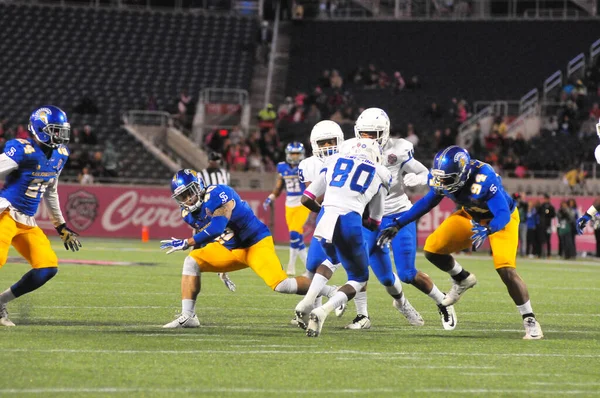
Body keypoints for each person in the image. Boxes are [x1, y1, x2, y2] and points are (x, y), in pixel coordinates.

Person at [378, 146, 543, 340]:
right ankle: (462, 278)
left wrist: (489, 229)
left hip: (499, 221)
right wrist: (399, 223)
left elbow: (503, 214)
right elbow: (427, 203)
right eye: (439, 177)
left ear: (463, 174)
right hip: (471, 217)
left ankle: (530, 320)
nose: (442, 183)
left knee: (505, 268)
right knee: (432, 248)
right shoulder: (445, 177)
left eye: (447, 179)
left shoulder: (484, 179)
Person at [160, 169, 335, 328]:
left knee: (281, 285)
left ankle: (332, 291)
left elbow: (216, 228)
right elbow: (203, 235)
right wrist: (216, 265)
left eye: (190, 192)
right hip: (230, 249)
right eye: (182, 196)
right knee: (191, 262)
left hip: (255, 243)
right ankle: (188, 315)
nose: (188, 199)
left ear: (199, 186)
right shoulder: (188, 214)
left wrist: (186, 242)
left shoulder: (219, 194)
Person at [300, 138, 397, 337]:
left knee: (331, 258)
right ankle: (322, 310)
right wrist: (360, 216)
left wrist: (324, 212)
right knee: (359, 278)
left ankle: (306, 302)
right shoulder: (380, 173)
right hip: (350, 220)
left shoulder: (334, 161)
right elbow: (374, 222)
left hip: (325, 218)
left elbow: (306, 198)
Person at [0, 106, 82, 327]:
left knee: (47, 267)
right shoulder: (22, 149)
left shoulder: (60, 154)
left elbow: (50, 190)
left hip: (27, 221)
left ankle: (0, 303)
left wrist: (61, 226)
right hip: (6, 214)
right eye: (55, 131)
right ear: (40, 129)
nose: (59, 136)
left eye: (61, 131)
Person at [290, 120, 345, 327]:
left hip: (348, 213)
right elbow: (312, 196)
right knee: (313, 266)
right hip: (326, 215)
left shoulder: (349, 157)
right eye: (323, 142)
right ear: (314, 145)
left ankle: (362, 314)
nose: (328, 146)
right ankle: (314, 307)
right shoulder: (308, 164)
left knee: (357, 267)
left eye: (332, 141)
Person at [263, 142, 310, 276]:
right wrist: (271, 197)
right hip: (289, 204)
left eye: (297, 154)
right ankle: (303, 267)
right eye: (293, 154)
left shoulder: (306, 166)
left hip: (303, 202)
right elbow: (279, 186)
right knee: (297, 237)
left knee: (294, 234)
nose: (295, 157)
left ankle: (294, 266)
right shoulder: (282, 167)